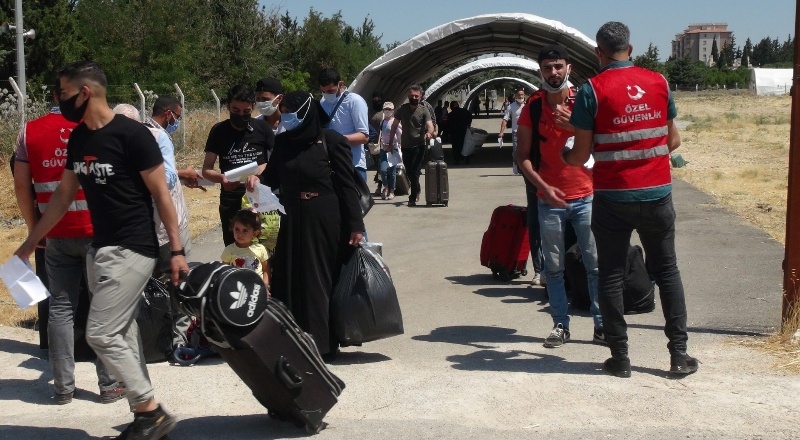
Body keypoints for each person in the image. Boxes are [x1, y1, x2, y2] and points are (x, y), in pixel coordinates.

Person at [14, 60, 188, 439]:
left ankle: (151, 411)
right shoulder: (80, 138)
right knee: (120, 331)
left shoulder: (132, 136)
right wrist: (30, 242)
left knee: (101, 332)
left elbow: (162, 194)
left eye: (63, 92)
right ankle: (146, 415)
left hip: (135, 246)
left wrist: (175, 251)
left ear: (85, 92)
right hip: (101, 248)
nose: (59, 100)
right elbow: (62, 196)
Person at [563, 21, 697, 378]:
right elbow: (674, 141)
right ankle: (679, 355)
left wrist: (567, 150)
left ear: (598, 53)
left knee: (610, 273)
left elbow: (580, 155)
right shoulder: (659, 82)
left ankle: (620, 358)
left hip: (612, 198)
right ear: (631, 49)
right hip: (657, 193)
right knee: (667, 270)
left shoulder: (592, 89)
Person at [13, 91, 121, 405]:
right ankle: (110, 385)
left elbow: (22, 185)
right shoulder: (92, 127)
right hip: (97, 231)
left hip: (55, 234)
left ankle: (63, 388)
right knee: (103, 307)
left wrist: (36, 229)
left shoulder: (29, 131)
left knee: (60, 310)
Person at [262, 91, 364, 361]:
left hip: (325, 216)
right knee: (290, 274)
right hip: (293, 216)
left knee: (318, 277)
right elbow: (271, 177)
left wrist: (356, 225)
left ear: (306, 111)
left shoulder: (331, 141)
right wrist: (252, 180)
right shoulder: (283, 143)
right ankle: (292, 337)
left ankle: (322, 343)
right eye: (282, 110)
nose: (285, 115)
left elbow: (347, 186)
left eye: (289, 110)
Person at [515, 43, 603, 349]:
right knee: (553, 267)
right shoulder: (534, 106)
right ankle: (560, 325)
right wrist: (543, 186)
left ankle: (601, 324)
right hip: (548, 200)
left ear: (569, 68)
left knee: (594, 263)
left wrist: (577, 127)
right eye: (547, 68)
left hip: (587, 195)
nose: (553, 73)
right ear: (540, 71)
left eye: (558, 67)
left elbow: (604, 144)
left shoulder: (585, 102)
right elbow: (522, 156)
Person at [114, 100, 195, 360]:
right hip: (138, 229)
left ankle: (179, 340)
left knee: (178, 283)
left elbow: (168, 178)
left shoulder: (157, 137)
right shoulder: (112, 142)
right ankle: (151, 341)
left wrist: (136, 174)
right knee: (145, 287)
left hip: (167, 225)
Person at [202, 84, 272, 247]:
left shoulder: (261, 128)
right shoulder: (218, 131)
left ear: (253, 107)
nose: (241, 115)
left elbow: (275, 161)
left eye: (246, 111)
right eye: (236, 110)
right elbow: (207, 169)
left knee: (262, 246)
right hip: (231, 196)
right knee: (235, 247)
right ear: (228, 107)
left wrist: (259, 174)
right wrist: (221, 178)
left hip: (259, 196)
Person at [317, 67, 370, 183]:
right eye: (323, 91)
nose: (326, 94)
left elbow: (364, 136)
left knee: (357, 201)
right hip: (332, 166)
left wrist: (337, 139)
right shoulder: (322, 103)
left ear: (340, 84)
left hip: (353, 165)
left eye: (330, 91)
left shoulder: (355, 101)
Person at [388, 85, 435, 207]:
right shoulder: (402, 109)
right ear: (408, 96)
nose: (413, 98)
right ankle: (417, 188)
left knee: (415, 171)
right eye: (411, 96)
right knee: (409, 171)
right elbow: (394, 126)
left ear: (420, 97)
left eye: (416, 96)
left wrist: (429, 133)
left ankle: (413, 196)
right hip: (406, 145)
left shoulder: (424, 110)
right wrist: (390, 142)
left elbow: (430, 125)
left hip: (419, 146)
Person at [220, 209, 271, 287]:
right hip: (237, 288)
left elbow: (266, 270)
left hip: (257, 289)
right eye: (237, 229)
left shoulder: (260, 249)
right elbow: (224, 271)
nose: (240, 234)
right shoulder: (229, 250)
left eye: (245, 231)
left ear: (255, 233)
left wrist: (265, 287)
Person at [499, 88, 528, 175]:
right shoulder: (511, 106)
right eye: (519, 95)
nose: (521, 96)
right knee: (516, 151)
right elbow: (505, 119)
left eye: (522, 95)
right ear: (515, 96)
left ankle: (524, 168)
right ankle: (516, 164)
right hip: (516, 132)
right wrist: (501, 132)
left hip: (526, 132)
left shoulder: (528, 106)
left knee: (526, 150)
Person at [378, 101, 402, 200]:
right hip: (384, 148)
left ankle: (392, 191)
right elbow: (381, 134)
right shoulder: (382, 122)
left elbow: (400, 134)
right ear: (383, 111)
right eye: (386, 109)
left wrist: (399, 144)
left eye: (389, 109)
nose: (387, 111)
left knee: (392, 171)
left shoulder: (395, 122)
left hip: (393, 148)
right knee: (383, 170)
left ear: (393, 111)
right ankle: (386, 187)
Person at [369, 91, 385, 196]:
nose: (376, 101)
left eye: (378, 99)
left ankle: (380, 186)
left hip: (383, 143)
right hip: (372, 143)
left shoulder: (384, 113)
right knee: (377, 164)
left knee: (380, 165)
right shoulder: (369, 112)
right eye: (375, 99)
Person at [447, 101, 473, 165]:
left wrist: (448, 133)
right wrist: (468, 124)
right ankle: (467, 159)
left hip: (455, 133)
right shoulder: (465, 111)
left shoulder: (451, 115)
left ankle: (457, 160)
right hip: (464, 131)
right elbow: (470, 115)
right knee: (466, 145)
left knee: (456, 147)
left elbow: (448, 125)